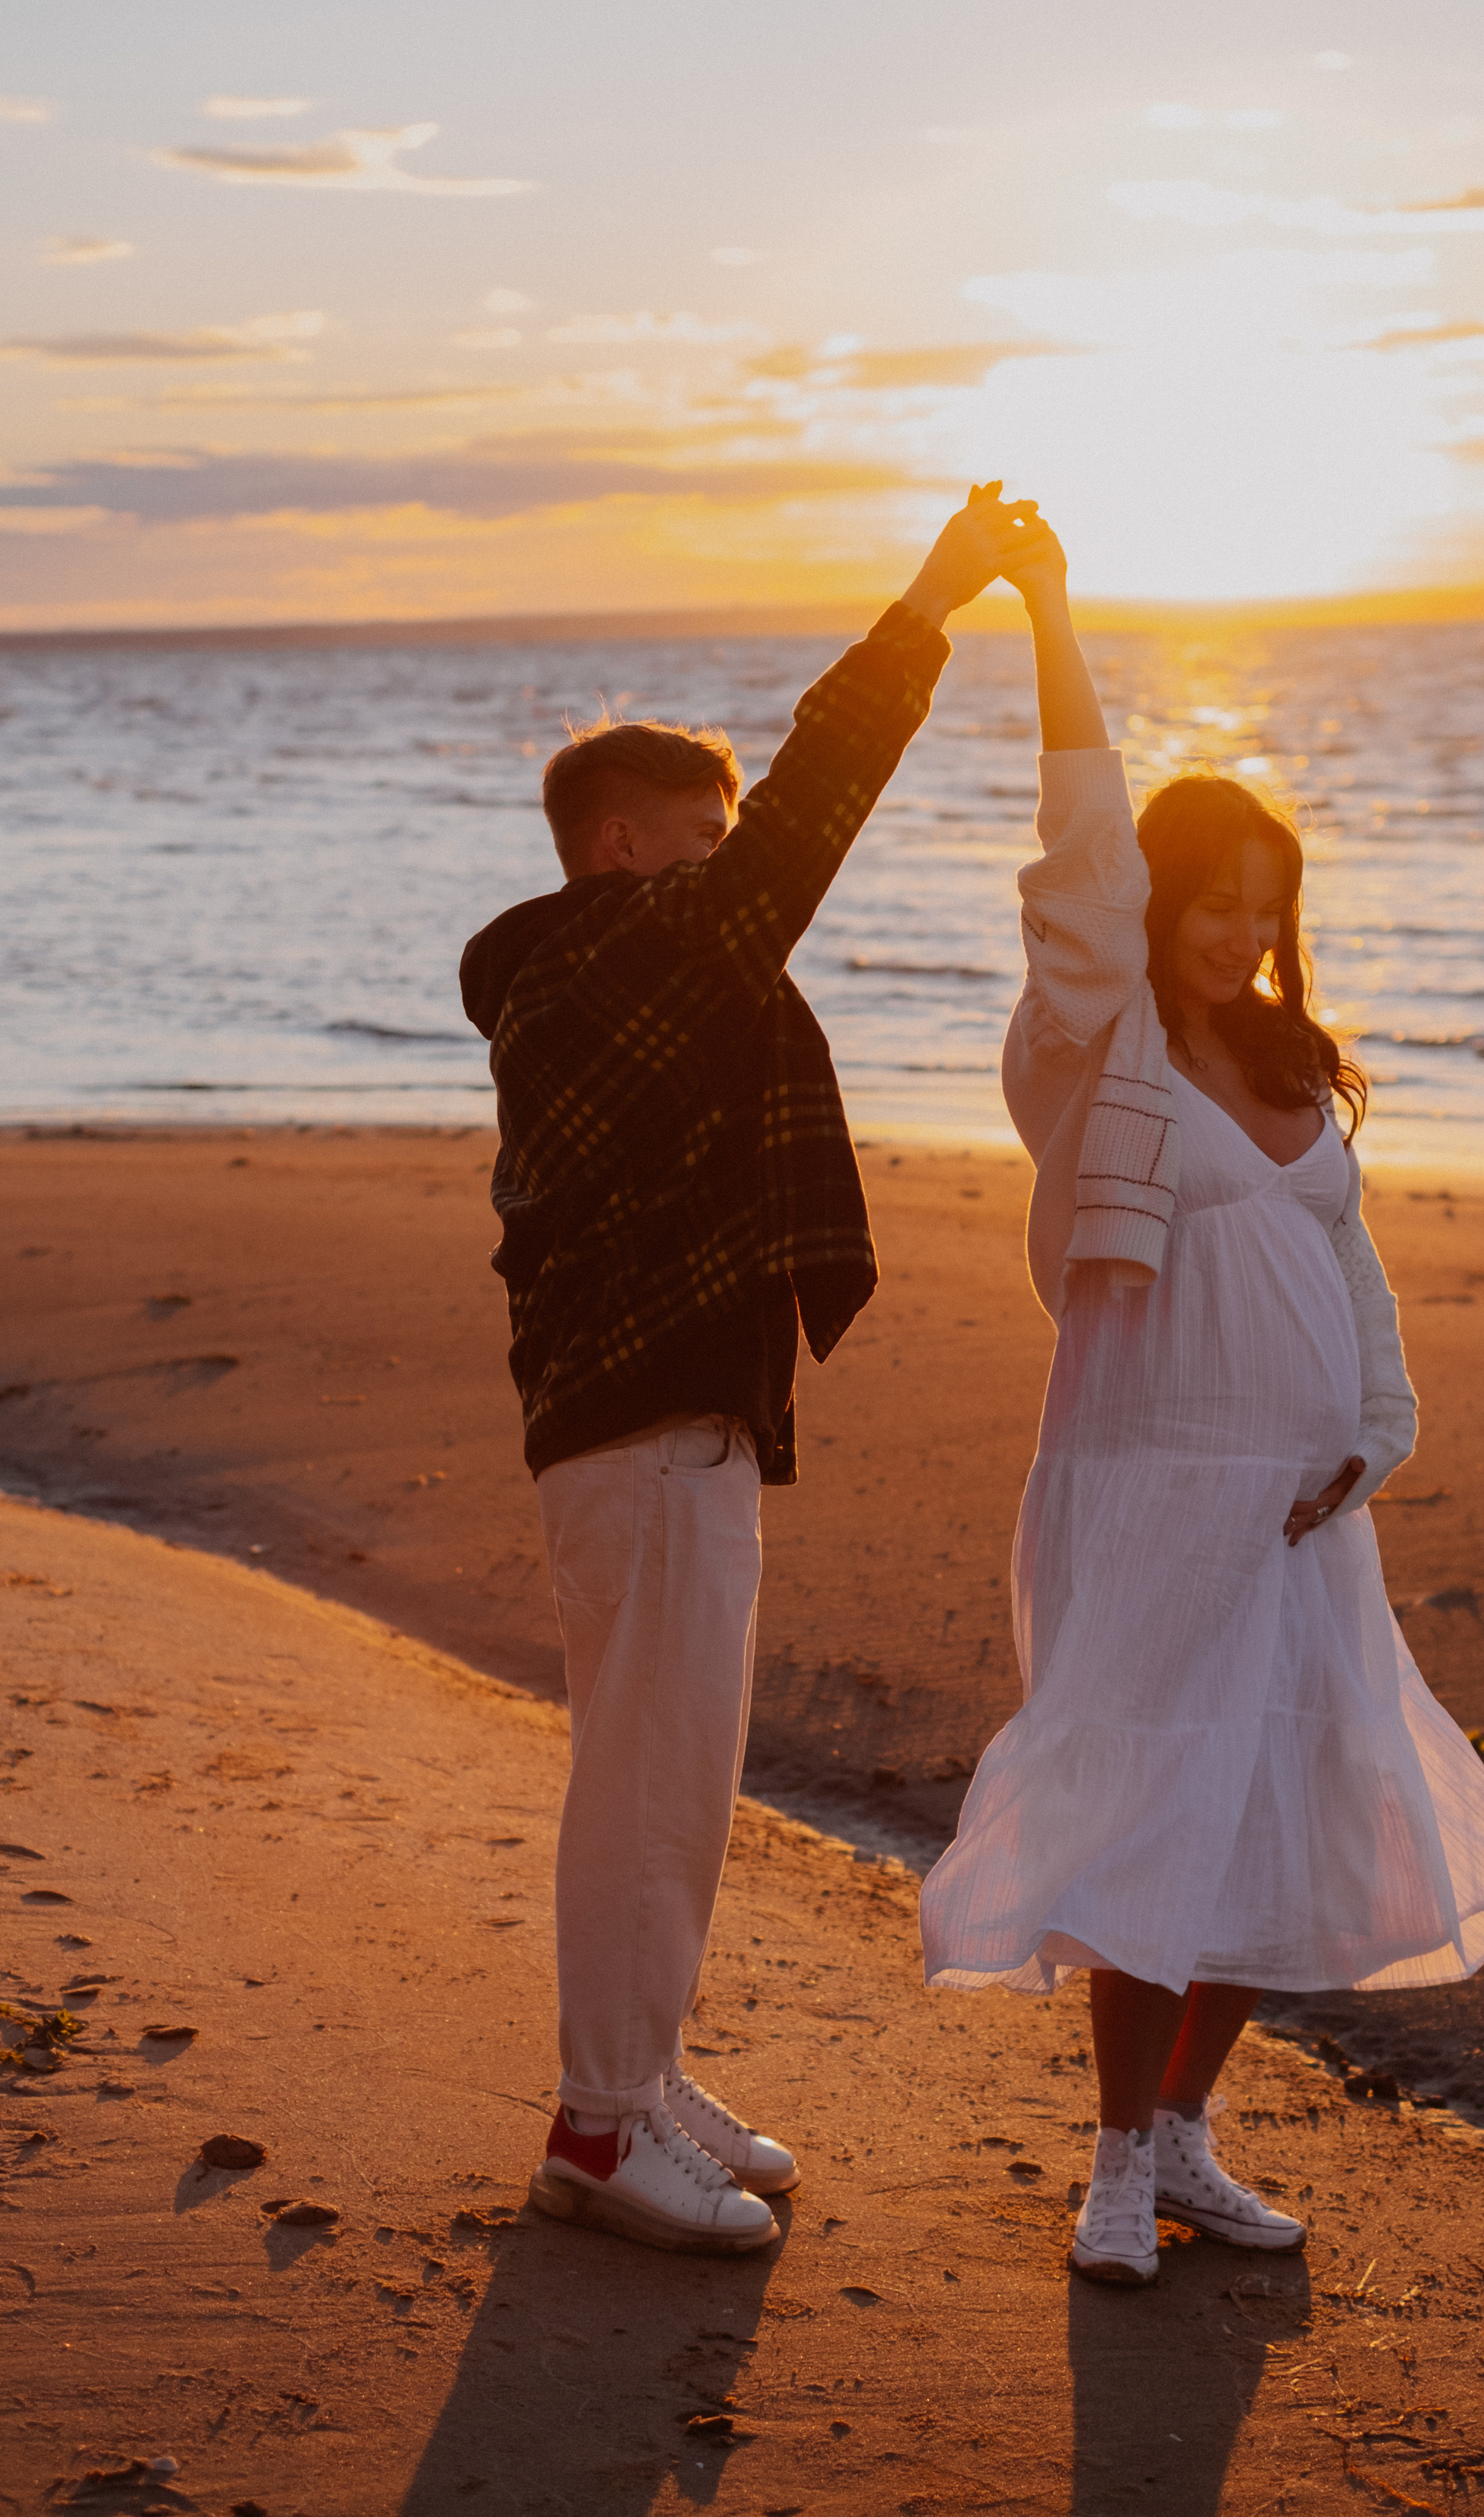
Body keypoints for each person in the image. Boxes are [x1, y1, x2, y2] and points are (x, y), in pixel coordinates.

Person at [918, 526, 1484, 2286]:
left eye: (1268, 911)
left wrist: (1377, 1427)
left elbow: (1348, 1260)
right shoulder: (1091, 1059)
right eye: (1214, 904)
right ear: (1154, 905)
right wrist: (1045, 619)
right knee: (1158, 1816)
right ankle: (1114, 2161)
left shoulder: (1283, 1065)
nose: (1243, 937)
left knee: (1304, 1804)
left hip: (1302, 1504)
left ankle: (1185, 2134)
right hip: (1148, 1487)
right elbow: (1078, 855)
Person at [460, 486, 1039, 2257]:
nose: (738, 869)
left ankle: (637, 2078)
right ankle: (599, 2120)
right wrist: (931, 607)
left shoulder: (615, 970)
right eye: (705, 841)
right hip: (643, 1436)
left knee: (674, 1782)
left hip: (665, 1428)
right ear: (620, 848)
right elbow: (812, 803)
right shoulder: (621, 961)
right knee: (648, 1786)